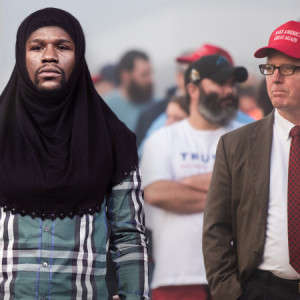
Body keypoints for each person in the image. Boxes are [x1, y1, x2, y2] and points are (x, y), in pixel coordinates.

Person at [0, 7, 149, 299]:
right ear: (22, 55)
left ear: (78, 57)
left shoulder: (111, 138)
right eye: (37, 47)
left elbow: (129, 236)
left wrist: (135, 295)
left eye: (63, 47)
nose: (49, 56)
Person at [203, 20, 300, 300]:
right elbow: (216, 229)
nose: (275, 77)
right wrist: (230, 294)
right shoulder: (236, 145)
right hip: (262, 289)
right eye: (269, 68)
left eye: (288, 68)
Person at [140, 54, 248, 300]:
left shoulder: (247, 138)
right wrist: (228, 196)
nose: (229, 91)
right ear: (193, 88)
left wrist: (185, 184)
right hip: (177, 276)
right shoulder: (163, 138)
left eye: (232, 84)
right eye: (220, 84)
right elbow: (156, 193)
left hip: (236, 276)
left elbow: (252, 194)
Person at [104, 50, 154, 132]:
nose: (150, 80)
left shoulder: (157, 103)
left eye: (150, 74)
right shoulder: (106, 107)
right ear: (125, 76)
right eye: (144, 75)